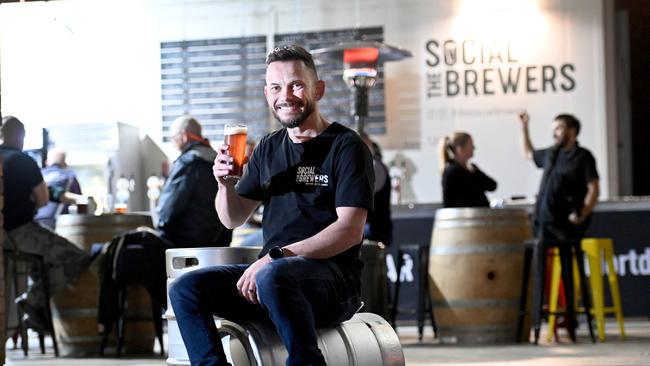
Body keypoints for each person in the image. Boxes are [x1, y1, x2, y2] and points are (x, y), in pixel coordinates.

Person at [169, 44, 375, 366]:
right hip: (273, 280)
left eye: (296, 85)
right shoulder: (268, 147)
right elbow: (232, 219)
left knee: (274, 276)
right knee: (185, 288)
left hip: (334, 282)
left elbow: (349, 231)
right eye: (276, 87)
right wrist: (224, 184)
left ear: (317, 89)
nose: (286, 95)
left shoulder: (346, 146)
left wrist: (275, 257)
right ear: (268, 95)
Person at [0, 115, 90, 332]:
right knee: (75, 257)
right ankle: (32, 301)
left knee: (40, 266)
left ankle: (36, 317)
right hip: (19, 232)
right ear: (20, 136)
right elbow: (42, 199)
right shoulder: (23, 160)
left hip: (4, 236)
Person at [518, 112, 599, 240]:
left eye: (558, 128)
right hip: (545, 220)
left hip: (567, 222)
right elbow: (527, 153)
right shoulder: (551, 154)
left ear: (572, 131)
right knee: (539, 255)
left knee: (566, 256)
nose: (554, 134)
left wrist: (582, 213)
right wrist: (524, 127)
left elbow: (593, 188)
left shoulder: (583, 156)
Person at [156, 115, 232, 247]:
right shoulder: (219, 160)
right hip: (220, 244)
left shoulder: (187, 162)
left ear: (184, 136)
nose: (174, 144)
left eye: (174, 139)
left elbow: (166, 213)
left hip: (186, 246)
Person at [438, 131, 497, 208]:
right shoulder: (452, 172)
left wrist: (475, 172)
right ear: (460, 149)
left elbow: (492, 186)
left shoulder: (471, 169)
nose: (474, 147)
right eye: (470, 145)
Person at [34, 147, 84, 229]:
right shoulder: (70, 176)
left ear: (47, 162)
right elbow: (80, 201)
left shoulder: (39, 174)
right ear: (65, 163)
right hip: (60, 224)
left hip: (34, 221)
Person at [360, 132, 392, 246]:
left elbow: (361, 196)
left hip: (374, 232)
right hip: (369, 231)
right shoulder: (369, 165)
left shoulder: (374, 167)